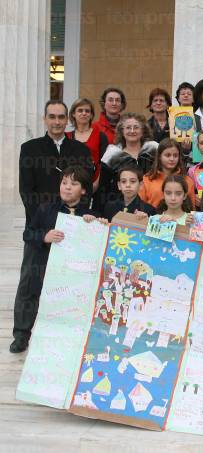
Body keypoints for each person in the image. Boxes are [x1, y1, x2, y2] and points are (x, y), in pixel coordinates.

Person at [12, 100, 94, 353]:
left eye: (61, 117)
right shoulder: (31, 148)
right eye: (52, 116)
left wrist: (79, 217)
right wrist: (44, 221)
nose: (57, 121)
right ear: (44, 118)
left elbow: (87, 186)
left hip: (74, 226)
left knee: (71, 282)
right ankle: (22, 334)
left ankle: (66, 334)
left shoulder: (79, 150)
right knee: (30, 283)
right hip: (41, 225)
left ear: (67, 119)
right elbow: (27, 190)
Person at [97, 112, 158, 211]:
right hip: (119, 208)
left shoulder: (154, 150)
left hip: (152, 206)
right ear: (122, 131)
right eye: (128, 128)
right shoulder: (112, 154)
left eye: (136, 127)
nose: (132, 131)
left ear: (143, 131)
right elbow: (103, 187)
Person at [139, 138, 196, 209]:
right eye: (168, 155)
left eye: (175, 155)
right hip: (152, 218)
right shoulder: (147, 179)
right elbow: (140, 208)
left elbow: (191, 210)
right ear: (159, 156)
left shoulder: (187, 181)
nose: (172, 159)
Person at [66, 97, 108, 192]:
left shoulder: (100, 136)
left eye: (87, 111)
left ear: (91, 115)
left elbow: (104, 163)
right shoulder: (66, 137)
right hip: (71, 187)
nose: (84, 113)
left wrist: (96, 183)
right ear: (73, 114)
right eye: (80, 110)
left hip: (94, 186)